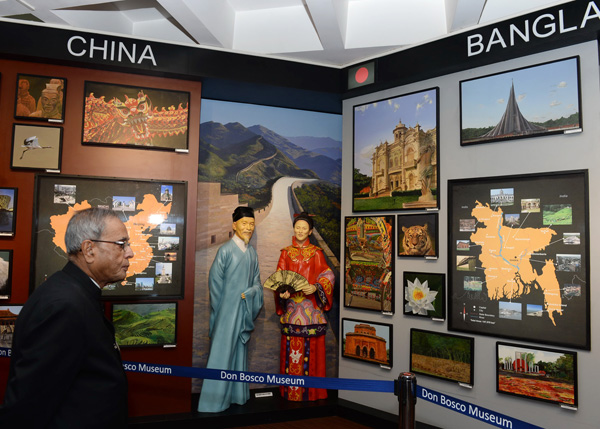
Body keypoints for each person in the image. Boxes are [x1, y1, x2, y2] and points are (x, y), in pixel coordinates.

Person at [0, 208, 132, 428]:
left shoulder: (75, 293)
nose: (130, 253)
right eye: (121, 244)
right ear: (89, 250)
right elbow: (29, 404)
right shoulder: (64, 305)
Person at [198, 206, 263, 413]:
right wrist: (221, 311)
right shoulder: (225, 251)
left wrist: (252, 293)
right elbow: (215, 283)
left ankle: (237, 395)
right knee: (222, 355)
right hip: (226, 313)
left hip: (243, 310)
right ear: (234, 225)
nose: (248, 228)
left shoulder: (252, 253)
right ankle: (213, 402)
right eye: (244, 223)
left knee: (238, 354)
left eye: (252, 224)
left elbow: (257, 283)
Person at [275, 212, 334, 401]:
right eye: (297, 227)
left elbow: (329, 275)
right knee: (291, 350)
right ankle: (290, 391)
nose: (300, 231)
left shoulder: (316, 253)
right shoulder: (285, 252)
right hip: (292, 308)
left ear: (310, 231)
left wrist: (316, 286)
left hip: (310, 309)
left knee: (313, 350)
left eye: (304, 228)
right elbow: (279, 276)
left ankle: (313, 392)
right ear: (294, 228)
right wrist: (281, 291)